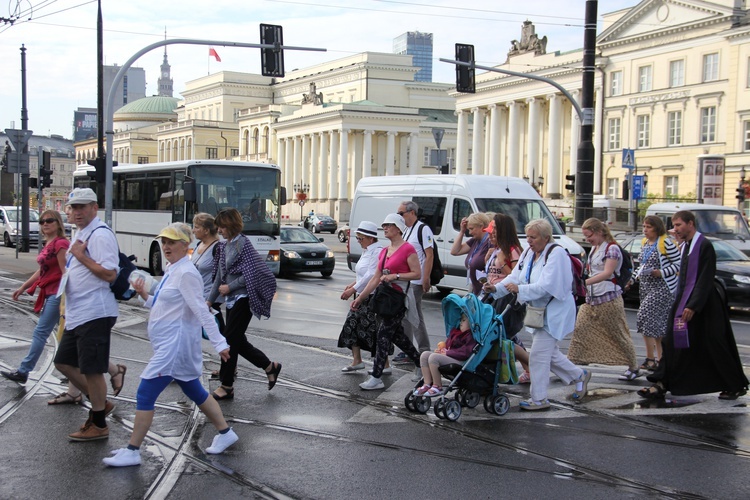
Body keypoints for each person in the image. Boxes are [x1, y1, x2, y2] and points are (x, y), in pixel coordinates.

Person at [103, 223, 237, 467]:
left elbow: (201, 310)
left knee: (145, 393)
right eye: (163, 241)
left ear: (185, 245)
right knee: (194, 390)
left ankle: (133, 451)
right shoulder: (173, 268)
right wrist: (144, 294)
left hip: (174, 347)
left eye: (171, 242)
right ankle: (226, 433)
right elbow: (166, 304)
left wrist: (220, 343)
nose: (165, 246)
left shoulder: (186, 273)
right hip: (172, 344)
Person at [1, 210, 126, 403]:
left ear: (58, 223)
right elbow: (43, 271)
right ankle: (108, 373)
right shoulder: (50, 244)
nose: (45, 224)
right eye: (42, 221)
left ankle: (25, 370)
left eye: (49, 220)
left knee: (42, 333)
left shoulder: (61, 244)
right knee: (70, 344)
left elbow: (65, 273)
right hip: (52, 293)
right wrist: (24, 286)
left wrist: (67, 302)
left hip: (58, 296)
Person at [640, 210, 749, 400]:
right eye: (674, 226)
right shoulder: (685, 245)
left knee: (715, 345)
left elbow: (705, 278)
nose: (675, 229)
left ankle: (735, 384)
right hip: (684, 301)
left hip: (703, 305)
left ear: (691, 224)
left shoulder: (704, 245)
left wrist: (693, 305)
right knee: (672, 342)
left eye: (679, 225)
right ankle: (662, 383)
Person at [489, 219, 590, 410]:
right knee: (549, 354)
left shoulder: (557, 254)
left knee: (538, 356)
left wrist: (520, 289)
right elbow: (515, 276)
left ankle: (539, 398)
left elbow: (547, 286)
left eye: (533, 237)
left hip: (555, 312)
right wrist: (495, 288)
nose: (529, 241)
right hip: (538, 311)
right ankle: (579, 375)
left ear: (546, 237)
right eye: (527, 236)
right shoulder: (529, 252)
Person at [54, 188, 119, 441]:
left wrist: (81, 256)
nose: (77, 212)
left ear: (95, 207)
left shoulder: (101, 235)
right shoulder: (82, 232)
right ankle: (99, 404)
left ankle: (99, 423)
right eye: (73, 207)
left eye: (82, 207)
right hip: (78, 311)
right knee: (63, 362)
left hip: (95, 311)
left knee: (92, 370)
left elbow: (110, 273)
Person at [207, 208, 281, 400]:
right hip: (231, 300)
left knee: (229, 341)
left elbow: (253, 274)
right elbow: (219, 278)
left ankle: (226, 385)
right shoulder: (224, 246)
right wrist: (210, 299)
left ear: (230, 225)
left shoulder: (243, 244)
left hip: (244, 298)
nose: (219, 230)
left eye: (222, 226)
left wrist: (230, 287)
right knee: (237, 340)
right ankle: (269, 366)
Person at [353, 214, 422, 391]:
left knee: (383, 334)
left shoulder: (408, 249)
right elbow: (376, 278)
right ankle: (420, 362)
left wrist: (396, 276)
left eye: (388, 225)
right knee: (397, 336)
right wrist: (360, 297)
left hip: (399, 299)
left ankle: (376, 376)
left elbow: (417, 273)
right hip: (385, 299)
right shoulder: (384, 251)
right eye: (383, 225)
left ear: (398, 228)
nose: (384, 228)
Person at [567, 218, 640, 381]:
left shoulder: (612, 249)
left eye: (589, 235)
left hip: (609, 298)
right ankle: (569, 365)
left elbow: (607, 273)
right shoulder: (595, 248)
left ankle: (633, 366)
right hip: (591, 297)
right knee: (580, 329)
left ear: (599, 232)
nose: (587, 240)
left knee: (618, 333)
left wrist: (584, 283)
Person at [481, 213, 530, 383]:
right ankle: (530, 369)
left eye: (493, 232)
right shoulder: (496, 249)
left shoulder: (513, 249)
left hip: (508, 298)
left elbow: (518, 277)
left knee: (502, 335)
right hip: (494, 295)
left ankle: (533, 367)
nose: (490, 235)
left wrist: (501, 263)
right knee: (504, 335)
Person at [628, 216, 681, 371]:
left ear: (657, 228)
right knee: (657, 324)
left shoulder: (665, 243)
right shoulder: (645, 243)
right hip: (646, 286)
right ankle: (662, 359)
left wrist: (662, 272)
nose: (645, 230)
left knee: (645, 317)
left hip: (662, 288)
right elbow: (642, 265)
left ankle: (651, 359)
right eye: (644, 226)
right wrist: (631, 279)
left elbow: (679, 263)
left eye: (649, 227)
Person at [337, 221, 391, 371]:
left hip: (373, 296)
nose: (358, 241)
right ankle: (357, 361)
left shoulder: (377, 251)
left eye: (361, 238)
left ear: (370, 238)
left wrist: (353, 289)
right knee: (351, 325)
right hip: (363, 294)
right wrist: (353, 284)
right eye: (358, 238)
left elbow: (372, 274)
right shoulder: (367, 250)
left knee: (375, 330)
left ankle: (385, 364)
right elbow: (363, 273)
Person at [393, 200, 434, 361]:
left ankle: (422, 351)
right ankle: (409, 349)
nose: (399, 216)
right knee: (406, 316)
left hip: (416, 281)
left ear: (412, 213)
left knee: (415, 317)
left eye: (401, 213)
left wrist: (426, 277)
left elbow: (429, 255)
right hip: (407, 281)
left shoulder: (423, 229)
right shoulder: (407, 230)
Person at [192, 212, 226, 378]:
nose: (193, 230)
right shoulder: (199, 244)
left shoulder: (217, 248)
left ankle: (228, 367)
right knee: (189, 333)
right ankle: (183, 367)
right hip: (197, 298)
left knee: (220, 334)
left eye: (197, 227)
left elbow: (221, 275)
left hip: (211, 300)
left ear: (206, 230)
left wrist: (210, 301)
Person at [414, 313, 476, 397]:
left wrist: (447, 353)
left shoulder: (470, 336)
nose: (461, 322)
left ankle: (437, 386)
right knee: (425, 355)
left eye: (464, 320)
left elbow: (465, 352)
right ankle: (427, 383)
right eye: (460, 320)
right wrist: (441, 350)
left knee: (433, 358)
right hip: (451, 356)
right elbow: (448, 346)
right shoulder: (456, 332)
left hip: (461, 360)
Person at [451, 212, 491, 295]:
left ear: (481, 226)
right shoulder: (475, 240)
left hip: (486, 290)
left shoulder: (490, 241)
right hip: (475, 287)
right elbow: (455, 251)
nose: (470, 233)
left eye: (472, 229)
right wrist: (462, 231)